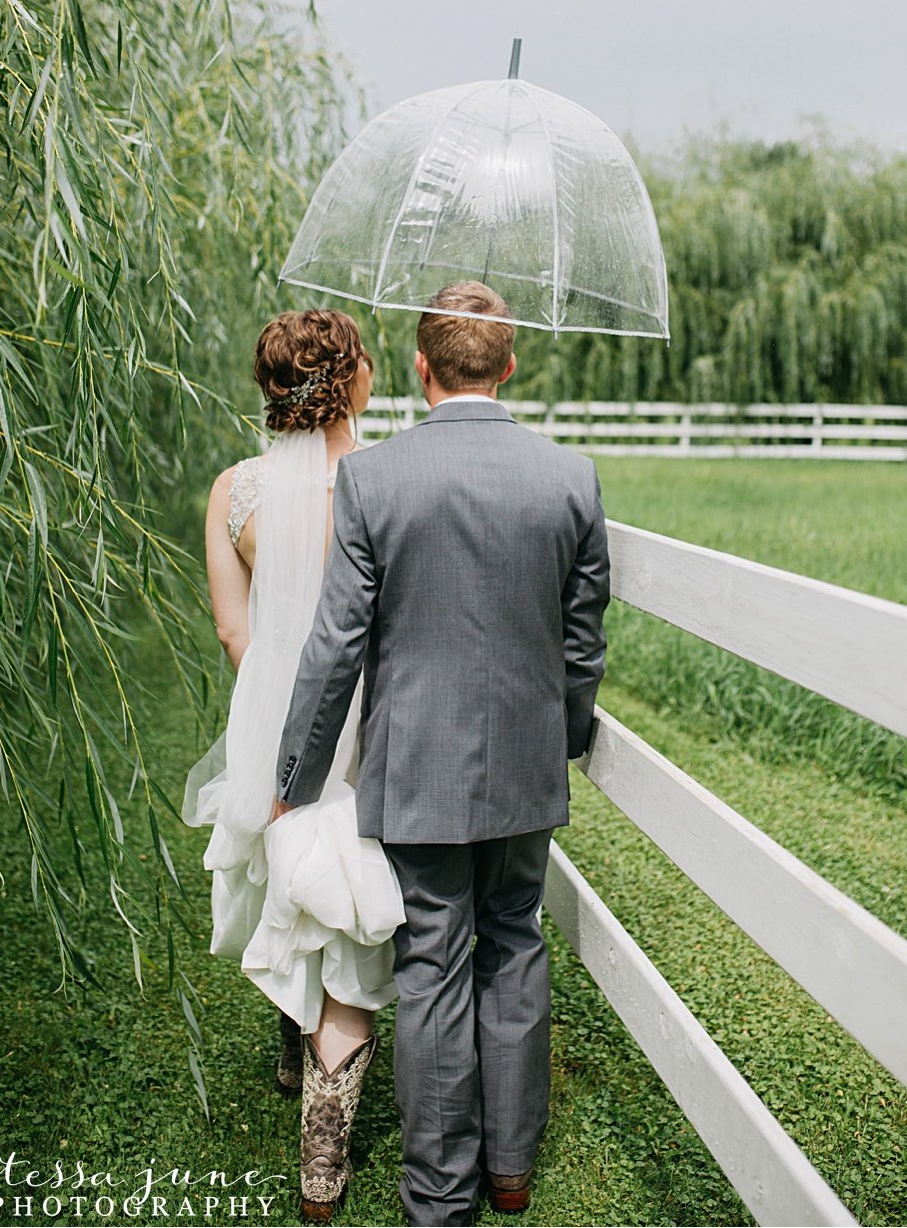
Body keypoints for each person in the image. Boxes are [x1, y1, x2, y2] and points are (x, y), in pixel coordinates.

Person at [274, 280, 610, 1226]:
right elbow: (581, 642)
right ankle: (509, 1169)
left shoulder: (376, 479)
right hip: (524, 767)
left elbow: (336, 645)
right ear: (509, 364)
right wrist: (566, 734)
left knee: (431, 964)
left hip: (415, 767)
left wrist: (296, 781)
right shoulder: (570, 477)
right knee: (513, 942)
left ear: (422, 368)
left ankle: (438, 1192)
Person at [188, 309, 405, 1222]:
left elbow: (236, 630)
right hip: (368, 714)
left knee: (288, 857)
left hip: (272, 711)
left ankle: (293, 1042)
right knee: (349, 885)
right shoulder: (387, 481)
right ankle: (325, 1142)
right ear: (349, 378)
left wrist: (279, 706)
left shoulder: (234, 493)